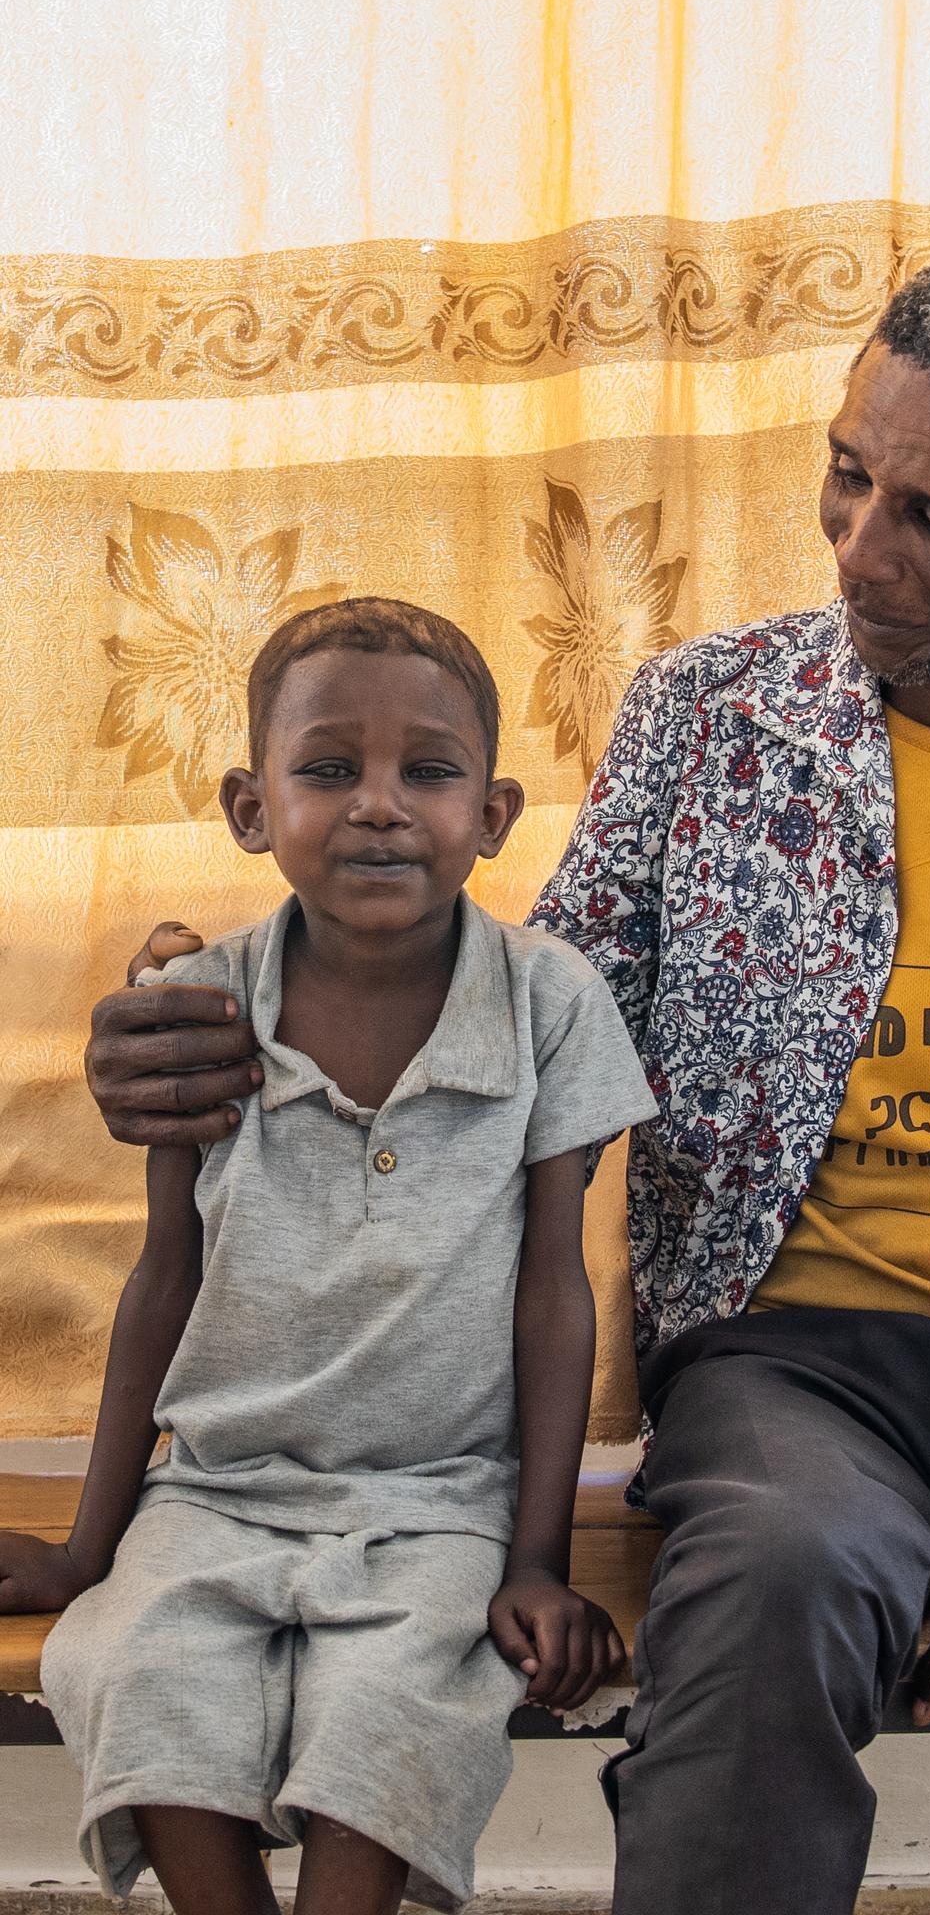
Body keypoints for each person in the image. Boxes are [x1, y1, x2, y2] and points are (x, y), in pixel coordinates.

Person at [82, 232, 930, 1915]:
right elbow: (520, 1019)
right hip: (800, 1365)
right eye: (846, 478)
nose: (859, 552)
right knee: (764, 1605)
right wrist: (211, 1003)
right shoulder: (709, 717)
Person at [2, 598, 657, 1915]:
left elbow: (552, 1296)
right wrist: (88, 1553)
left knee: (399, 1703)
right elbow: (163, 1278)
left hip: (441, 1505)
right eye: (325, 769)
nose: (377, 806)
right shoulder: (199, 1008)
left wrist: (531, 1563)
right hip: (218, 1494)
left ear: (495, 814)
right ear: (250, 809)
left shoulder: (549, 1001)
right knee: (135, 1669)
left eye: (427, 772)